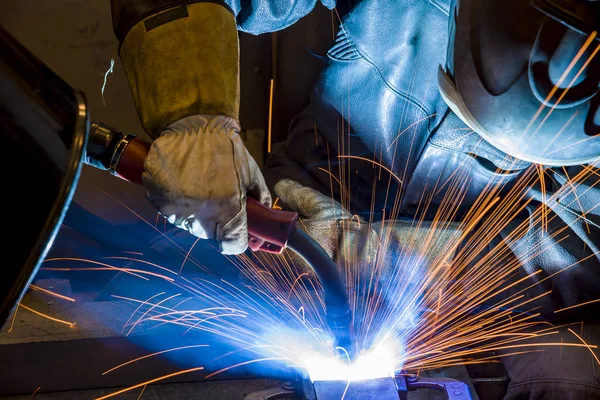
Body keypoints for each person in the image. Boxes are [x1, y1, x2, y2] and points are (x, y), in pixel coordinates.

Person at [109, 0, 600, 398]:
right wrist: (196, 112)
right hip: (283, 230)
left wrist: (409, 268)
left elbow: (584, 250)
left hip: (483, 307)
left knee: (570, 368)